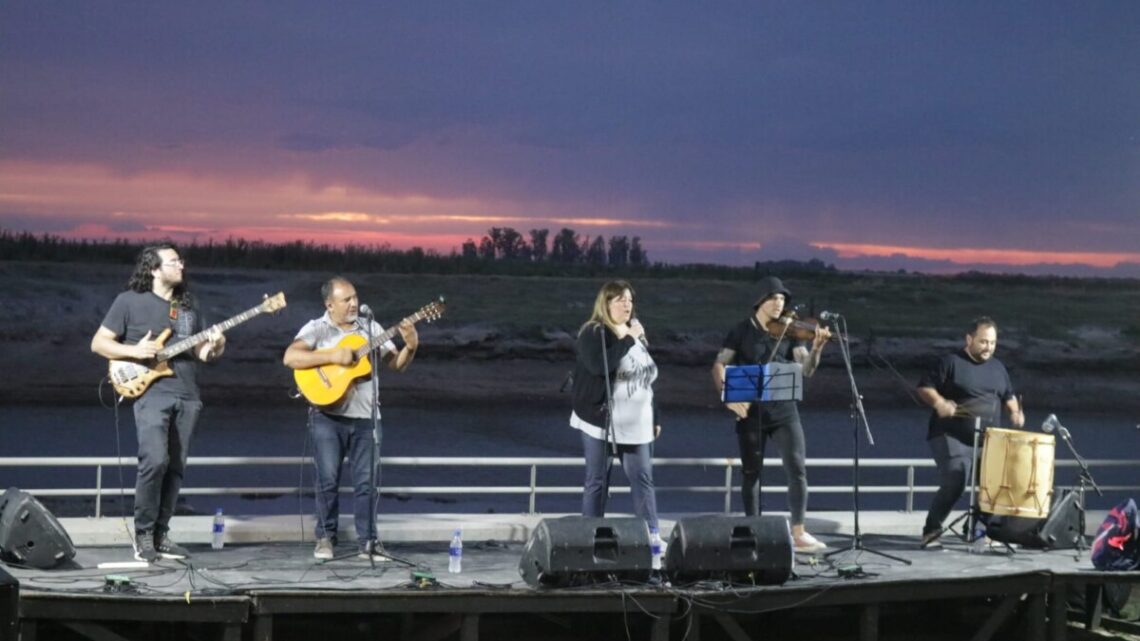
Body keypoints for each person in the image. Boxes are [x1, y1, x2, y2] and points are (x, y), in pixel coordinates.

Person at [91, 243, 226, 563]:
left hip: (188, 393)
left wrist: (217, 345)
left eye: (181, 260)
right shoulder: (128, 301)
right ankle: (143, 535)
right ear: (153, 269)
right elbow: (99, 343)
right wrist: (135, 352)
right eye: (174, 261)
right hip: (152, 393)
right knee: (155, 460)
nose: (181, 265)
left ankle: (161, 535)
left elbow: (203, 354)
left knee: (176, 467)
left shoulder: (189, 306)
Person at [283, 277, 418, 561]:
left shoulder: (371, 328)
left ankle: (367, 542)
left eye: (355, 297)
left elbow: (396, 364)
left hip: (366, 418)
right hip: (327, 418)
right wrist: (335, 355)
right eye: (346, 300)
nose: (354, 303)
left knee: (366, 484)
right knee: (327, 481)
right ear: (329, 304)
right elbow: (291, 357)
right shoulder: (317, 328)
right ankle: (325, 538)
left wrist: (411, 346)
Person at [711, 276, 830, 553]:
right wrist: (727, 397)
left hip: (785, 411)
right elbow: (719, 365)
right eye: (774, 298)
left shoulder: (790, 333)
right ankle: (754, 529)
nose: (779, 304)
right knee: (752, 473)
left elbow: (807, 370)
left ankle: (798, 531)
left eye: (782, 299)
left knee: (797, 469)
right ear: (760, 301)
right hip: (750, 413)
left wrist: (817, 349)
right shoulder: (740, 331)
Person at [917, 316, 1024, 548]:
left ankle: (977, 530)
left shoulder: (998, 368)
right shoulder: (950, 362)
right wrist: (939, 403)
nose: (988, 348)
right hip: (950, 435)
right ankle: (931, 531)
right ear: (969, 339)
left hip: (988, 440)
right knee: (956, 478)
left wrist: (1015, 412)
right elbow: (924, 387)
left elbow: (1008, 395)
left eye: (993, 343)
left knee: (994, 485)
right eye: (984, 342)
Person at [569, 280, 661, 531]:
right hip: (601, 421)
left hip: (637, 424)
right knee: (597, 481)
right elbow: (600, 367)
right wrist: (629, 340)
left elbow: (647, 377)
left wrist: (656, 418)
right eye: (620, 299)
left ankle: (652, 537)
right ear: (606, 303)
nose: (627, 304)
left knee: (643, 479)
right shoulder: (594, 332)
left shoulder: (635, 333)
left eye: (630, 300)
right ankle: (590, 536)